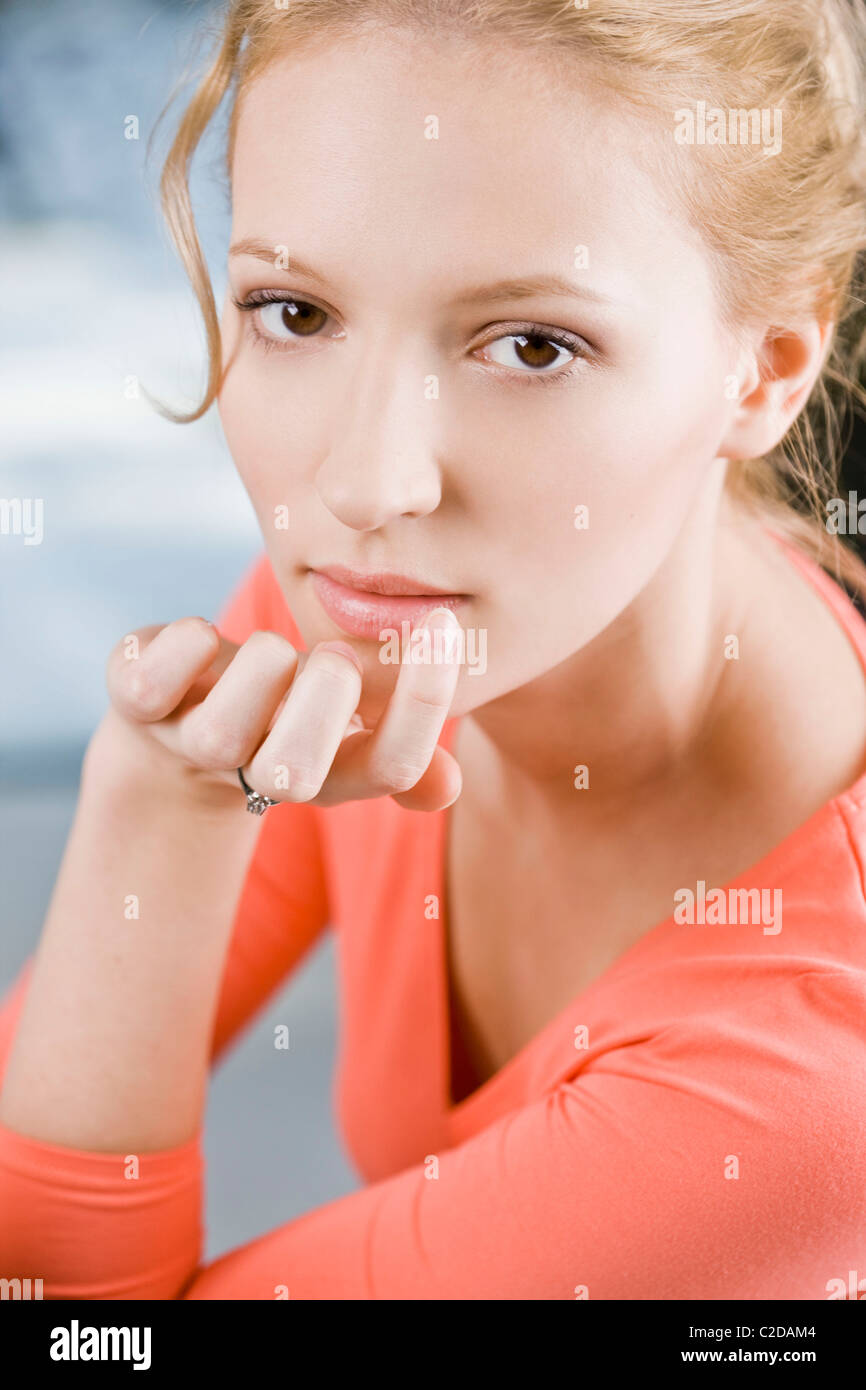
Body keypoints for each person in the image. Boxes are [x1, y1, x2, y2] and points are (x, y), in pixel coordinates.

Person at [2, 0, 866, 1300]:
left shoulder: (813, 1081)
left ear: (765, 368)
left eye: (530, 345)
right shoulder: (388, 613)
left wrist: (157, 815)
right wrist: (167, 792)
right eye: (294, 313)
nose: (364, 482)